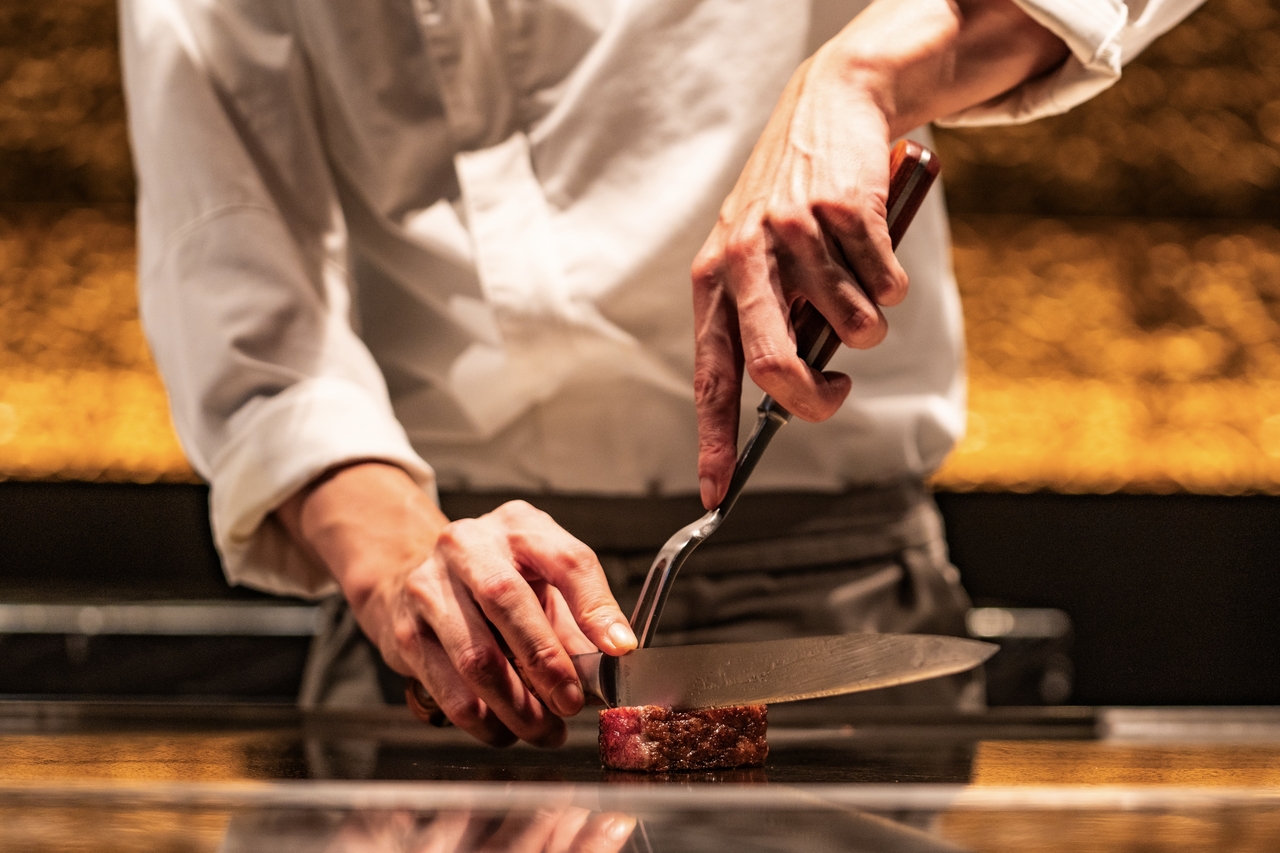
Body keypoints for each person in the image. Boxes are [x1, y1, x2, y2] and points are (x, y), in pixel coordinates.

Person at [120, 0, 1203, 748]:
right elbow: (243, 295)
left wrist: (869, 71)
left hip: (831, 596)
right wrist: (405, 566)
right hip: (446, 652)